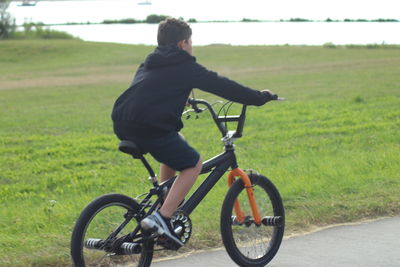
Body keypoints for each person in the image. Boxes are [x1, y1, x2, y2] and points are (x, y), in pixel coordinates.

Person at [111, 18, 275, 248]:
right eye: (190, 41)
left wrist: (180, 96)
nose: (191, 46)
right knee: (193, 164)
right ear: (182, 43)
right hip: (150, 125)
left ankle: (164, 202)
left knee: (176, 142)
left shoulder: (150, 61)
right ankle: (162, 217)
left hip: (123, 120)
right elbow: (224, 86)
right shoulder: (185, 66)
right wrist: (258, 97)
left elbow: (148, 89)